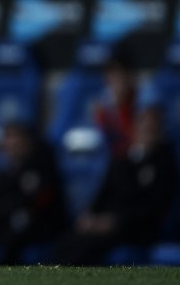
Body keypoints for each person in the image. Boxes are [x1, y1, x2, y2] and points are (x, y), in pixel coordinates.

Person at [52, 108, 178, 265]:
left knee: (86, 247)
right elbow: (104, 192)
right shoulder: (121, 160)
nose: (147, 132)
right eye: (144, 126)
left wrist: (114, 222)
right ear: (135, 129)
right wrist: (90, 215)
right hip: (108, 222)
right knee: (68, 241)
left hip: (136, 227)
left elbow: (154, 206)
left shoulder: (165, 163)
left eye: (152, 128)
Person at [0, 122, 67, 265]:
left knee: (12, 237)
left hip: (38, 225)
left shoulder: (43, 168)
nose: (11, 148)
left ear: (27, 142)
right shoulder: (5, 172)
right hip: (6, 220)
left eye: (16, 143)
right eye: (7, 143)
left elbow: (42, 202)